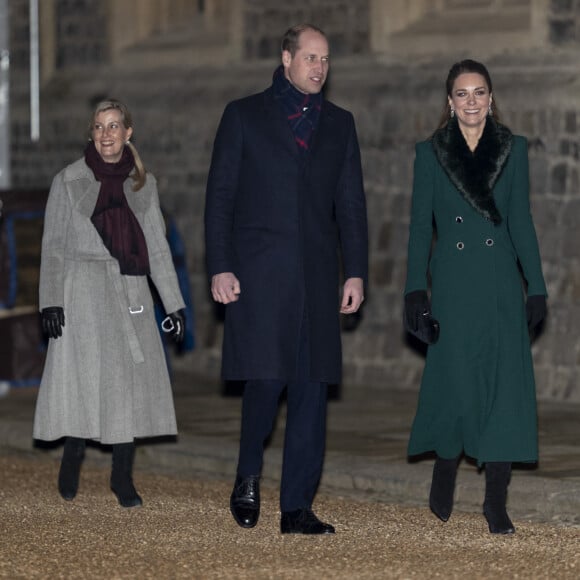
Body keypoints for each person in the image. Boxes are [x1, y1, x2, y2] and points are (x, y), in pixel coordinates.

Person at [205, 23, 368, 535]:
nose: (319, 67)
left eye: (325, 59)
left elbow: (352, 207)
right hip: (260, 275)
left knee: (311, 390)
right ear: (286, 58)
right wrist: (220, 265)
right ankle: (248, 474)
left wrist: (356, 272)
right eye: (311, 57)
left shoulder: (340, 124)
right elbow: (221, 199)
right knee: (265, 379)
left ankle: (297, 506)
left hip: (319, 279)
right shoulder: (244, 115)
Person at [403, 59, 547, 534]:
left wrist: (537, 286)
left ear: (491, 97)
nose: (471, 102)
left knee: (504, 389)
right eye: (462, 94)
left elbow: (520, 221)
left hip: (500, 281)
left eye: (479, 92)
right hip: (453, 284)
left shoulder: (513, 148)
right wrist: (414, 291)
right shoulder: (430, 154)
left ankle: (495, 501)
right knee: (456, 384)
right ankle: (446, 465)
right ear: (449, 101)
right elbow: (421, 227)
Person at [33, 98, 186, 508]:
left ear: (127, 132)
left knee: (124, 386)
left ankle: (122, 477)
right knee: (81, 379)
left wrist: (174, 304)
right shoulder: (67, 181)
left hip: (130, 290)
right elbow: (53, 247)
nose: (106, 134)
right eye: (100, 127)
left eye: (114, 126)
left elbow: (156, 247)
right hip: (80, 290)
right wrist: (50, 302)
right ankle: (73, 454)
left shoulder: (143, 184)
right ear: (91, 133)